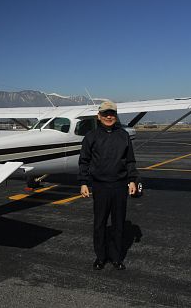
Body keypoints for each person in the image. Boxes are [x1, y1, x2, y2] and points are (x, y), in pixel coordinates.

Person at [78, 101, 139, 271]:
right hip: (100, 186)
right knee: (100, 223)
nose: (109, 116)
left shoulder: (123, 135)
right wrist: (84, 182)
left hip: (120, 186)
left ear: (116, 115)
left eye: (112, 113)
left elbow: (130, 161)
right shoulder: (91, 136)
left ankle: (116, 257)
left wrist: (132, 180)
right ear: (99, 116)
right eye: (105, 114)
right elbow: (84, 161)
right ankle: (101, 257)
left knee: (118, 223)